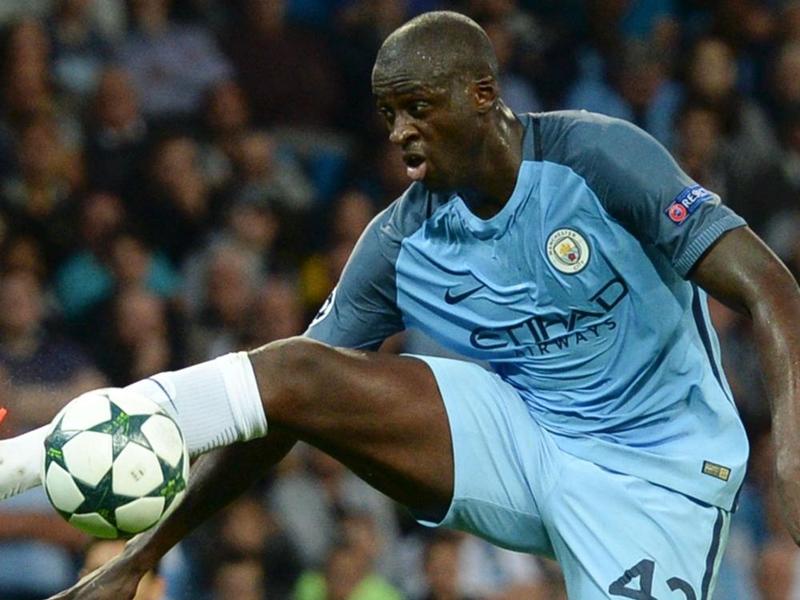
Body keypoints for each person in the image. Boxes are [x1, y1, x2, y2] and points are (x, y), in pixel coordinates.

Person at [2, 10, 800, 599]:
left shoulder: (598, 156)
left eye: (419, 107)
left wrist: (794, 454)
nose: (401, 132)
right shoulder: (401, 240)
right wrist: (144, 553)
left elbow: (770, 288)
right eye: (389, 114)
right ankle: (13, 465)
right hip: (525, 433)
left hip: (654, 470)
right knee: (298, 371)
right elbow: (282, 404)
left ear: (482, 95)